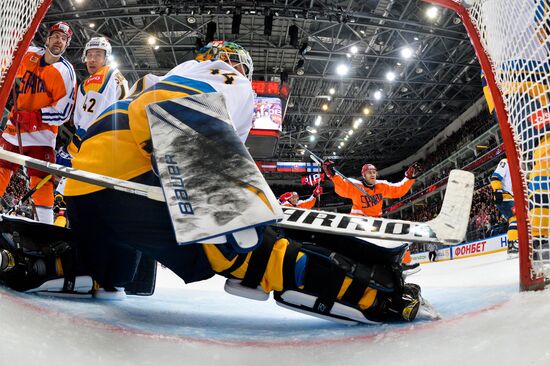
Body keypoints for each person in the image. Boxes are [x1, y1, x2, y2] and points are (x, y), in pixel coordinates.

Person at [0, 41, 423, 324]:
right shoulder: (227, 74)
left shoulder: (156, 76)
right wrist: (220, 206)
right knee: (248, 249)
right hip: (139, 169)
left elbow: (145, 105)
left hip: (85, 190)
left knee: (115, 273)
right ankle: (373, 294)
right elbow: (170, 106)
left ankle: (34, 258)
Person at [0, 22, 76, 224]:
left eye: (63, 38)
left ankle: (44, 226)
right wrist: (14, 33)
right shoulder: (30, 54)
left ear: (67, 44)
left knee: (42, 180)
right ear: (48, 39)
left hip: (42, 137)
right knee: (1, 167)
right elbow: (10, 56)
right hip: (13, 129)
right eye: (56, 36)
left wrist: (33, 118)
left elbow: (63, 113)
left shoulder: (66, 72)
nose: (59, 40)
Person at [55, 36, 129, 196]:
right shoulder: (116, 76)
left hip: (95, 149)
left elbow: (89, 124)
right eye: (89, 55)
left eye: (98, 55)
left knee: (65, 196)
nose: (92, 59)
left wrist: (71, 151)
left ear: (106, 58)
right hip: (112, 149)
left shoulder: (98, 80)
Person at [321, 161, 422, 217]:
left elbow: (398, 190)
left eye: (374, 172)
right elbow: (342, 186)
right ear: (364, 175)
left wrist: (409, 178)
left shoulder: (382, 186)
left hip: (376, 222)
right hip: (358, 221)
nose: (372, 174)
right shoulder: (356, 186)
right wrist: (332, 175)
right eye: (369, 172)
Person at [490, 158, 518, 254]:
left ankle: (512, 244)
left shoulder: (517, 166)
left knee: (515, 219)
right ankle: (513, 244)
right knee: (515, 218)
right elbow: (495, 177)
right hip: (504, 196)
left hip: (510, 197)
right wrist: (497, 191)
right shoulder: (505, 161)